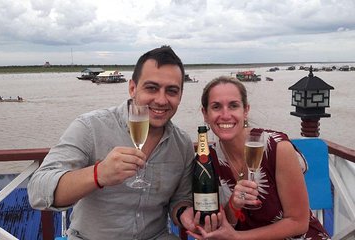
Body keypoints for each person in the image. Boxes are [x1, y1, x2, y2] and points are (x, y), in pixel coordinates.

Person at [28, 46, 195, 240]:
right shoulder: (91, 127)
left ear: (181, 95)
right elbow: (38, 191)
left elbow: (180, 198)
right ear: (132, 88)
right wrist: (98, 174)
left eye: (172, 91)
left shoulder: (182, 144)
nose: (161, 99)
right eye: (152, 88)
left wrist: (183, 212)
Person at [186, 76, 330, 239]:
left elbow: (298, 222)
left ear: (245, 110)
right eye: (216, 107)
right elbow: (228, 226)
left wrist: (237, 238)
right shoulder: (209, 160)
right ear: (205, 114)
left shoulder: (277, 148)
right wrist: (233, 205)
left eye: (233, 105)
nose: (225, 115)